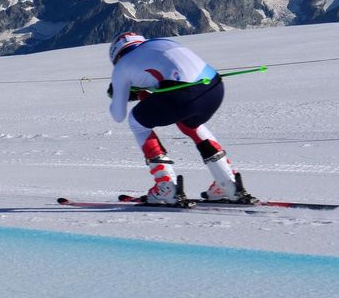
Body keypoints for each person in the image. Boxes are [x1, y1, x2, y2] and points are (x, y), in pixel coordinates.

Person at [107, 32, 252, 205]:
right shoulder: (161, 40)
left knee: (136, 122)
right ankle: (228, 183)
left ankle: (166, 186)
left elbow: (118, 115)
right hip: (214, 88)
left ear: (117, 55)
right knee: (190, 122)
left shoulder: (122, 65)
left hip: (182, 95)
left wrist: (120, 92)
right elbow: (169, 75)